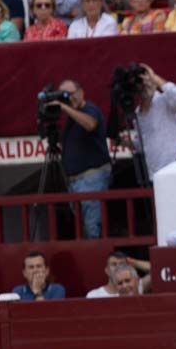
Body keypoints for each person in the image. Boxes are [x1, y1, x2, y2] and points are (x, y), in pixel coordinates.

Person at [54, 79, 111, 239]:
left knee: (92, 225)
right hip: (75, 181)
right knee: (84, 226)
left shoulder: (89, 109)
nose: (67, 98)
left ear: (80, 92)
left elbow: (90, 124)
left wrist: (65, 107)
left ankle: (98, 260)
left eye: (69, 94)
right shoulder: (71, 119)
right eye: (63, 96)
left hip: (91, 177)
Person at [131, 66, 176, 177]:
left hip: (174, 167)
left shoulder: (166, 100)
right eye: (141, 84)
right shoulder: (137, 113)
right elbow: (145, 143)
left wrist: (153, 76)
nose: (145, 85)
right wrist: (128, 143)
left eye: (148, 82)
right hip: (155, 174)